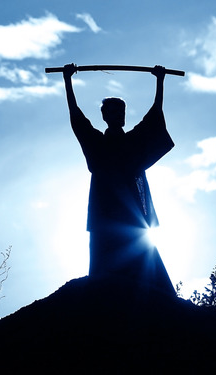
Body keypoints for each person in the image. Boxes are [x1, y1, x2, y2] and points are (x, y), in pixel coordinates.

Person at [62, 63, 175, 296]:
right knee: (105, 263)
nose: (118, 116)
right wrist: (67, 80)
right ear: (104, 115)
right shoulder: (97, 143)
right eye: (113, 112)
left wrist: (160, 80)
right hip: (103, 211)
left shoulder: (131, 141)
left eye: (121, 111)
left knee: (141, 256)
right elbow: (76, 117)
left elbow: (154, 117)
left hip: (131, 211)